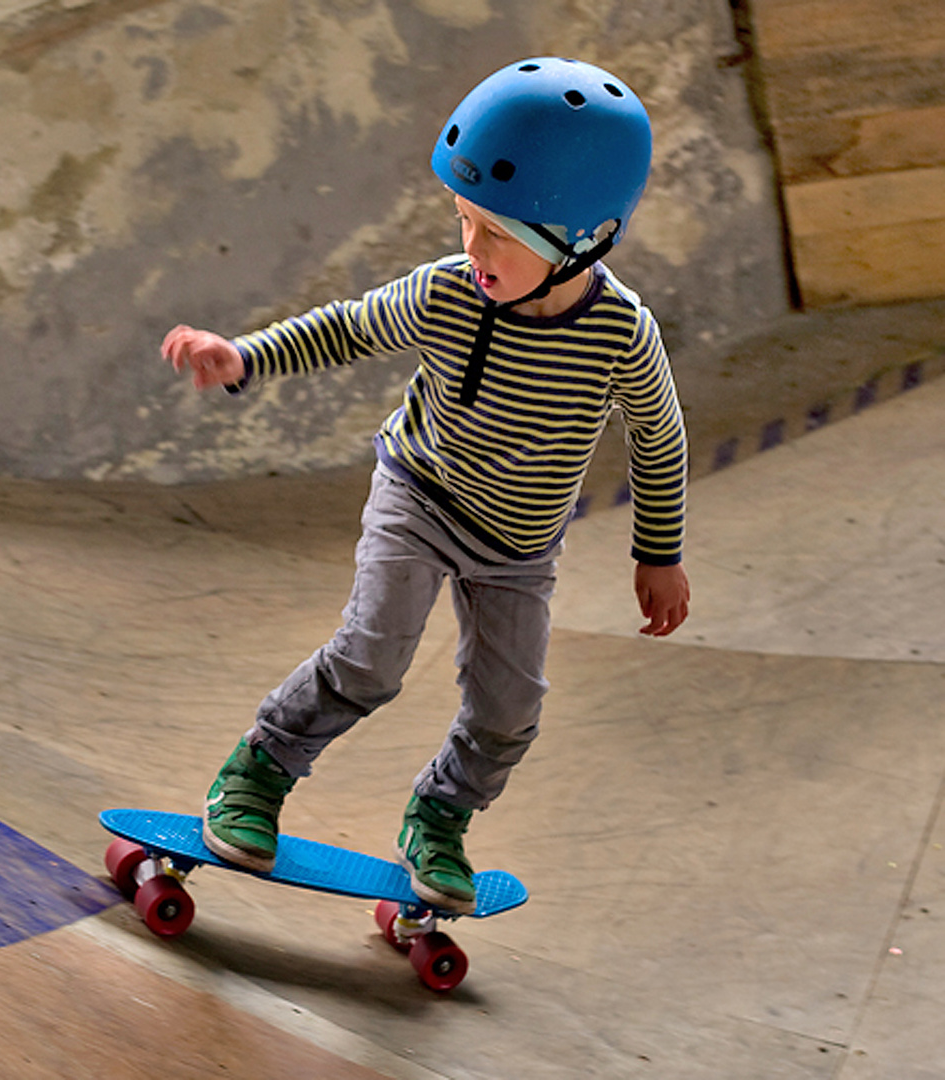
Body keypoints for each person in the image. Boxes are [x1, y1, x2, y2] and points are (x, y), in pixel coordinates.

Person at [161, 57, 691, 914]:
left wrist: (658, 554)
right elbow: (346, 329)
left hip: (520, 547)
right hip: (421, 497)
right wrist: (245, 356)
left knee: (512, 707)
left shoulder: (624, 335)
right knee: (372, 657)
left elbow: (659, 440)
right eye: (464, 221)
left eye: (499, 235)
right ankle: (258, 772)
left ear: (585, 238)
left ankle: (440, 818)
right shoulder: (445, 292)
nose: (472, 249)